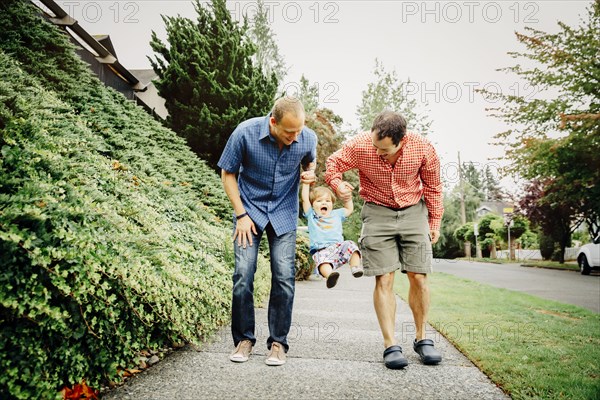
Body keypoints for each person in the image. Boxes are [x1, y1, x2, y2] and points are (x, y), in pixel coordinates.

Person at [325, 110, 443, 369]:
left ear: (401, 141)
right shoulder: (361, 144)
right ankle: (390, 345)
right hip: (377, 211)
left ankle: (422, 339)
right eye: (375, 145)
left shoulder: (422, 147)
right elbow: (332, 164)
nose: (377, 152)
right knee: (384, 277)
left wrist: (434, 221)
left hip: (413, 211)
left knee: (419, 276)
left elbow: (433, 186)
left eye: (384, 150)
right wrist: (337, 184)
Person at [217, 96, 317, 366]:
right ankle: (244, 340)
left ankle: (278, 344)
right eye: (289, 132)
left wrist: (310, 174)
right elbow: (228, 174)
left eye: (299, 131)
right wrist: (240, 214)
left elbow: (311, 163)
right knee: (243, 275)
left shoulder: (307, 138)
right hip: (248, 211)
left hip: (283, 214)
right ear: (273, 122)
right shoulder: (245, 133)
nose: (296, 137)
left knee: (284, 278)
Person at [301, 183, 363, 288]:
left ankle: (355, 267)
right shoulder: (311, 215)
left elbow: (349, 209)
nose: (323, 203)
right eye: (319, 201)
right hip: (321, 249)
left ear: (332, 204)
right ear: (312, 204)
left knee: (351, 245)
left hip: (338, 247)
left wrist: (347, 198)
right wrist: (306, 184)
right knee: (322, 262)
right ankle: (330, 276)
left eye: (327, 201)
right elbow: (305, 200)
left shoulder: (337, 214)